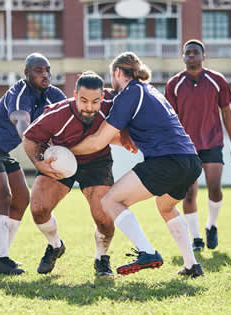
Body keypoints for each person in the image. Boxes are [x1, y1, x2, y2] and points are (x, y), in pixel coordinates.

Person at [71, 52, 205, 278]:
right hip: (190, 160)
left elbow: (98, 142)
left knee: (110, 200)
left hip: (166, 160)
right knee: (165, 206)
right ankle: (192, 265)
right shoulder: (150, 89)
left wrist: (66, 150)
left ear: (117, 73)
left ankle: (147, 252)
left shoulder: (129, 93)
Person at [0, 53, 66, 275]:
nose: (44, 74)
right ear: (26, 74)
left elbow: (67, 118)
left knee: (21, 198)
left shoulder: (54, 94)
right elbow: (21, 122)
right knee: (2, 196)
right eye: (38, 70)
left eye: (47, 69)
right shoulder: (20, 93)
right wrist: (37, 150)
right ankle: (1, 259)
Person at [24, 71, 135, 276]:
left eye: (95, 101)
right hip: (61, 160)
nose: (89, 107)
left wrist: (128, 135)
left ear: (102, 98)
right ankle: (55, 245)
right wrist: (38, 164)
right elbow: (30, 138)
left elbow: (132, 96)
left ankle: (101, 258)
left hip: (97, 162)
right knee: (38, 208)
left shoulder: (111, 106)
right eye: (83, 101)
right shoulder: (56, 114)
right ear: (74, 95)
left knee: (104, 218)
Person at [165, 39, 231, 251]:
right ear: (183, 57)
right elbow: (170, 119)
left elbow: (227, 113)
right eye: (187, 53)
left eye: (195, 52)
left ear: (203, 56)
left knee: (215, 189)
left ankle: (211, 226)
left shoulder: (217, 80)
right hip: (186, 147)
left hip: (213, 143)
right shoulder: (174, 84)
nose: (191, 56)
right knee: (189, 193)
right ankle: (196, 238)